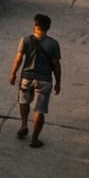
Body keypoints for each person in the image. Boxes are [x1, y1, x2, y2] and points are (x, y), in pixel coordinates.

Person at [8, 13, 62, 146]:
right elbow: (56, 65)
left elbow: (19, 59)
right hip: (44, 80)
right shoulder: (53, 44)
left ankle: (24, 125)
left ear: (35, 26)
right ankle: (34, 138)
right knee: (39, 110)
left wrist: (13, 73)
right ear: (48, 28)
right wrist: (58, 82)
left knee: (23, 101)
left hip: (26, 77)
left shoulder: (25, 40)